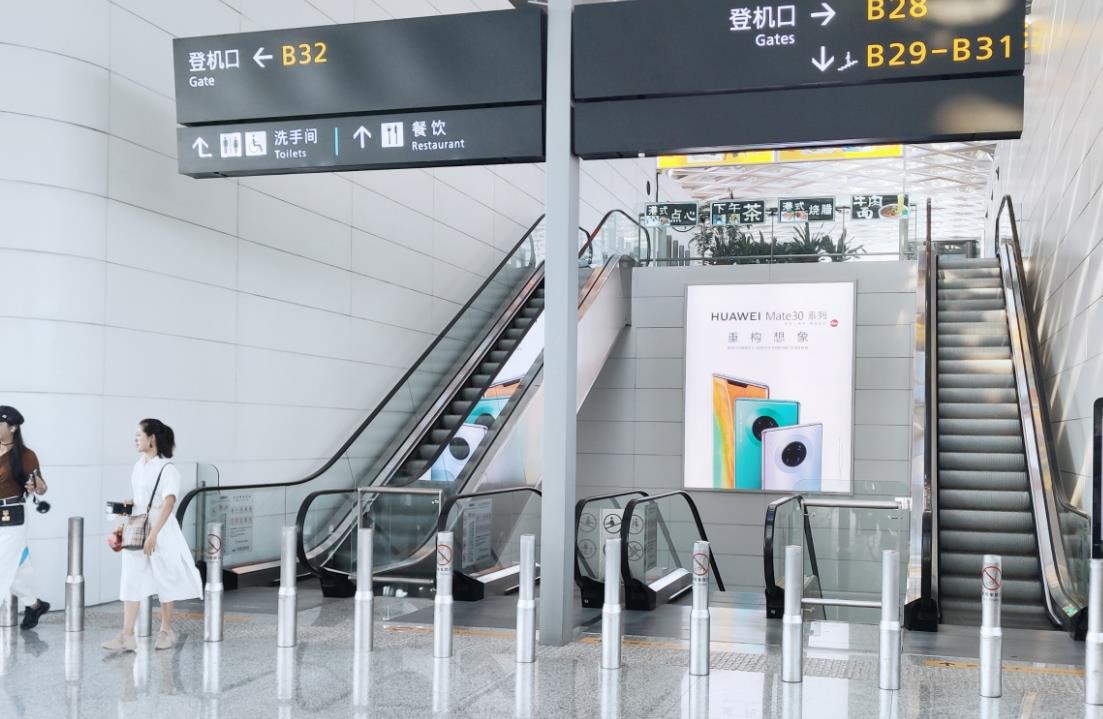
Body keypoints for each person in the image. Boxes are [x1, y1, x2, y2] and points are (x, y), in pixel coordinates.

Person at [103, 419, 201, 652]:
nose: (135, 438)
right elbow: (142, 499)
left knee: (165, 577)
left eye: (139, 434)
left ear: (152, 439)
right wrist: (129, 505)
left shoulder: (168, 469)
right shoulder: (138, 466)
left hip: (161, 530)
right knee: (131, 579)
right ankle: (127, 635)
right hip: (138, 527)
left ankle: (167, 630)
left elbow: (169, 503)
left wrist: (154, 534)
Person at [0, 406, 50, 630]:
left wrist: (35, 485)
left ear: (12, 428)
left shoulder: (26, 455)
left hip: (13, 515)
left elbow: (41, 488)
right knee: (17, 566)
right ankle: (35, 605)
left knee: (2, 564)